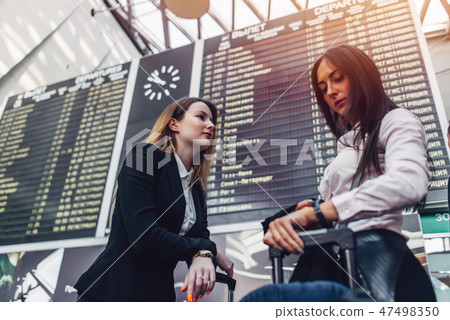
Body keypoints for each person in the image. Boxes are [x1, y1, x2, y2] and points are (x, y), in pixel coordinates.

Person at [262, 45, 436, 301]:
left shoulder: (397, 120)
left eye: (338, 78)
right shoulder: (346, 142)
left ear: (362, 74)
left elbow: (408, 182)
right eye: (322, 88)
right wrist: (305, 215)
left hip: (376, 263)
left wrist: (319, 211)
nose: (330, 92)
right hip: (337, 258)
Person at [75, 97, 233, 302]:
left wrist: (203, 254)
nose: (211, 125)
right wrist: (206, 248)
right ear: (174, 124)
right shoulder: (144, 156)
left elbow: (201, 237)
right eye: (200, 117)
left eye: (212, 121)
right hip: (111, 294)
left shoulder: (196, 187)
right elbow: (145, 238)